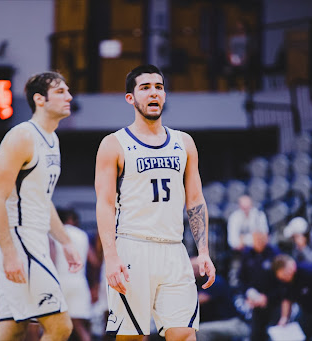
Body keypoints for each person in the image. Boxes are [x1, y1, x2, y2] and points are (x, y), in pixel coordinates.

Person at [94, 64, 216, 340]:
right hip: (132, 249)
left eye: (159, 87)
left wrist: (204, 251)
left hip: (174, 250)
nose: (153, 93)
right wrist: (111, 258)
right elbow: (104, 203)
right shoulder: (114, 144)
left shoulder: (184, 142)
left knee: (184, 334)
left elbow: (195, 200)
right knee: (132, 336)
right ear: (130, 98)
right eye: (145, 87)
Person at [0, 71, 83, 341]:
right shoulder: (22, 136)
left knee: (13, 327)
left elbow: (42, 199)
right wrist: (9, 252)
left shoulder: (52, 139)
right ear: (40, 99)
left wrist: (64, 241)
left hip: (33, 238)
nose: (69, 96)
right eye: (61, 91)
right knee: (61, 326)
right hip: (18, 238)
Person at [52, 208, 93, 341]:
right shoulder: (82, 234)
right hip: (79, 281)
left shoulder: (53, 234)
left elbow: (51, 259)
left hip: (59, 282)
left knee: (55, 327)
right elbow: (94, 261)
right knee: (80, 327)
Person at [237, 230, 282, 341]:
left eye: (261, 237)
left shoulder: (275, 254)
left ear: (267, 237)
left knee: (274, 335)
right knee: (256, 335)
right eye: (256, 238)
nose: (259, 241)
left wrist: (268, 298)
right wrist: (247, 295)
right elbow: (241, 279)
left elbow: (283, 282)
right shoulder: (247, 254)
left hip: (274, 303)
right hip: (255, 303)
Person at [190, 256, 249, 341]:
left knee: (200, 331)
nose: (192, 271)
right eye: (190, 268)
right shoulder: (196, 284)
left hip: (234, 323)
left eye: (195, 267)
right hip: (217, 323)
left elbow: (195, 302)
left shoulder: (214, 281)